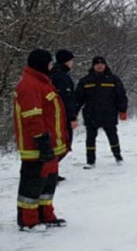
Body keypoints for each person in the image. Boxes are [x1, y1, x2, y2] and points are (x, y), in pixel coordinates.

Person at [14, 49, 68, 232]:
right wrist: (42, 140)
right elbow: (32, 117)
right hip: (35, 145)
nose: (52, 66)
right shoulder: (29, 85)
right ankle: (28, 220)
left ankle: (45, 213)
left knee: (48, 182)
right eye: (50, 63)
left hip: (49, 144)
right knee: (32, 183)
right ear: (41, 64)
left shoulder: (42, 82)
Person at [74, 56, 128, 169]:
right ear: (93, 66)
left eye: (102, 64)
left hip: (109, 113)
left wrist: (122, 110)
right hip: (91, 113)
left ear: (105, 65)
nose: (100, 66)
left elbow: (121, 95)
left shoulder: (113, 79)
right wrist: (73, 114)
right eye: (97, 64)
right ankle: (90, 161)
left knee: (113, 136)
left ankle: (118, 157)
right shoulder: (85, 80)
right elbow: (78, 99)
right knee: (90, 138)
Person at [49, 49, 78, 181]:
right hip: (61, 116)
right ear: (67, 61)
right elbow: (66, 99)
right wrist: (72, 116)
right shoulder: (62, 77)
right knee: (63, 144)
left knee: (57, 144)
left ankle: (51, 171)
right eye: (71, 60)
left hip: (54, 115)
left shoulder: (52, 74)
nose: (73, 63)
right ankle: (49, 172)